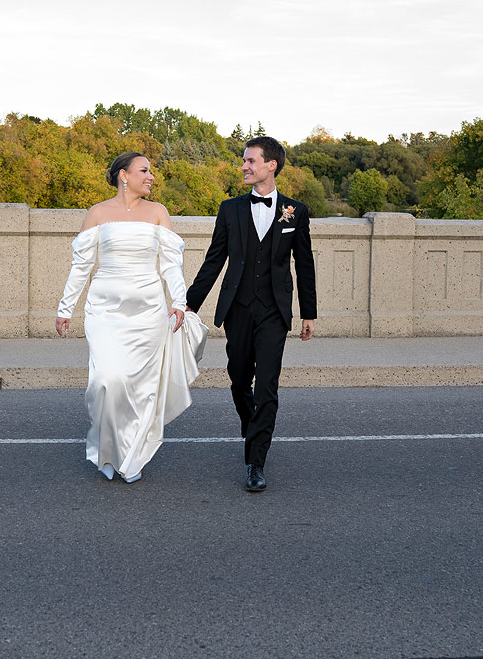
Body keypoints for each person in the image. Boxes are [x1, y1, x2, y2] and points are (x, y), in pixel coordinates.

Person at [55, 152, 207, 483]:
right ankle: (107, 450)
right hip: (104, 311)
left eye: (151, 171)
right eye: (144, 170)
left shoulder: (158, 212)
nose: (151, 176)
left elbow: (170, 264)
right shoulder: (98, 213)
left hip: (148, 312)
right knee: (107, 380)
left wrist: (179, 301)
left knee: (140, 387)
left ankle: (133, 455)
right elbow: (81, 266)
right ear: (124, 175)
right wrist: (66, 308)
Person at [185, 136, 317, 493]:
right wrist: (189, 304)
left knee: (267, 386)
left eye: (250, 161)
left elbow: (304, 264)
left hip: (274, 310)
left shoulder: (295, 211)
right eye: (244, 161)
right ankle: (253, 426)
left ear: (271, 165)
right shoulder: (230, 209)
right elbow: (214, 260)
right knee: (239, 379)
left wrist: (309, 312)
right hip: (238, 308)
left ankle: (255, 461)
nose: (243, 166)